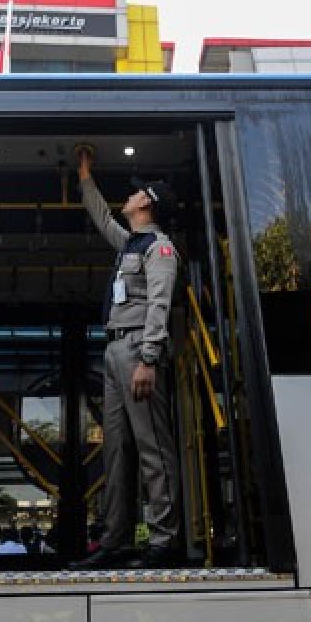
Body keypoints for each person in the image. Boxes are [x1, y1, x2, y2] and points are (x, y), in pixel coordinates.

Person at [70, 143, 182, 570]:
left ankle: (164, 540)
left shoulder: (159, 248)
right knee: (115, 450)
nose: (130, 196)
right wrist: (84, 175)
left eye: (137, 193)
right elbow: (101, 217)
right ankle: (116, 540)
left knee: (152, 446)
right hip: (115, 347)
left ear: (147, 205)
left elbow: (160, 301)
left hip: (138, 347)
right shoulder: (129, 245)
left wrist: (149, 358)